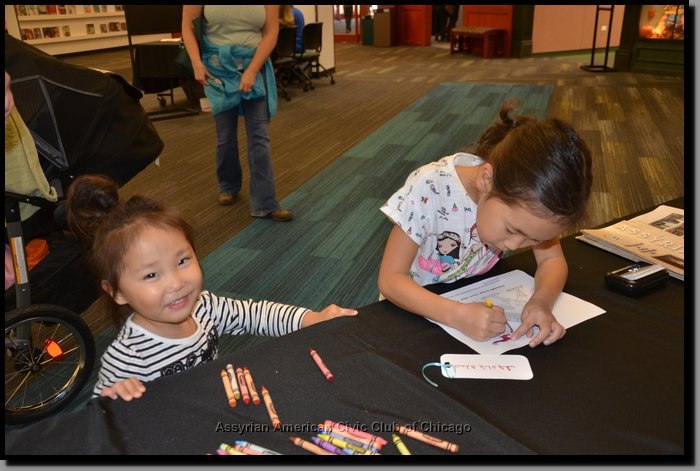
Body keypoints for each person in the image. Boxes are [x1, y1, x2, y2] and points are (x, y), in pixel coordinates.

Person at [66, 174, 358, 401]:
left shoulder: (204, 307)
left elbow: (256, 314)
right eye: (152, 274)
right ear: (116, 292)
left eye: (182, 260)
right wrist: (113, 400)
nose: (177, 283)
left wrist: (311, 319)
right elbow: (98, 423)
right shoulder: (128, 357)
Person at [378, 102, 593, 347]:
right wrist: (456, 315)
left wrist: (541, 302)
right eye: (512, 230)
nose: (515, 245)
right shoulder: (429, 188)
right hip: (412, 307)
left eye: (535, 239)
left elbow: (552, 260)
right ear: (486, 179)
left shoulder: (534, 207)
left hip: (469, 293)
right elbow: (390, 280)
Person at [181, 5, 293, 222]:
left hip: (255, 65)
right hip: (218, 69)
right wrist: (196, 63)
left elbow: (271, 32)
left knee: (259, 137)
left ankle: (265, 203)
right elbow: (187, 26)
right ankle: (228, 185)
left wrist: (251, 71)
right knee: (225, 137)